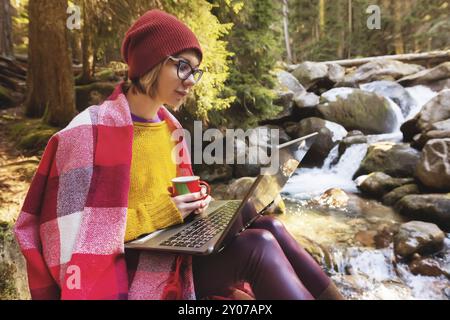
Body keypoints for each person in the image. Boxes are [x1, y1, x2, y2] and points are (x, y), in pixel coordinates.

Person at [14, 9, 343, 300]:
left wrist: (195, 201)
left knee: (270, 226)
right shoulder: (86, 134)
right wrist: (161, 213)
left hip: (168, 252)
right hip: (127, 273)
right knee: (260, 249)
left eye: (195, 71)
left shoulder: (168, 127)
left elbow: (170, 198)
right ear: (149, 62)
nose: (190, 81)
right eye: (182, 66)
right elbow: (65, 243)